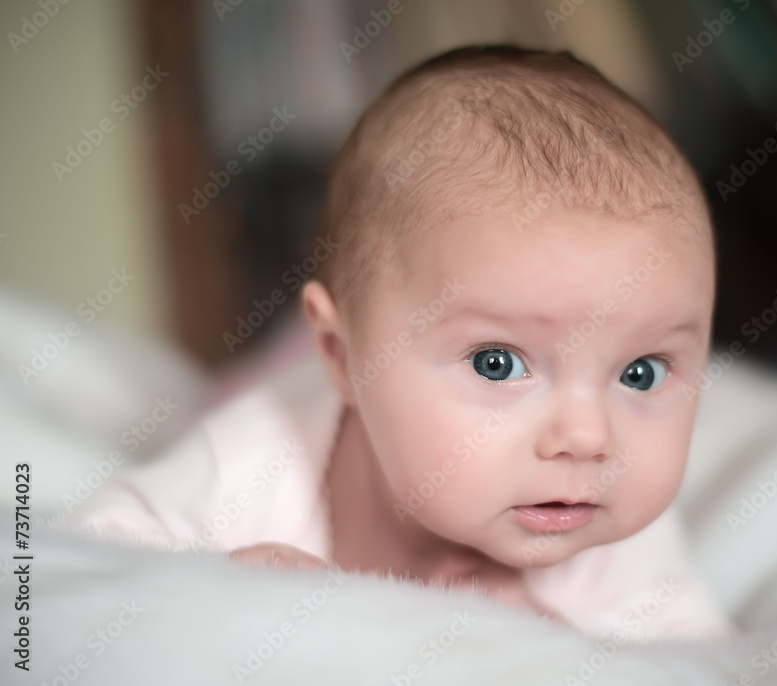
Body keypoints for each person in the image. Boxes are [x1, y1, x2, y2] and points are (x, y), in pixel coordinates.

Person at [76, 45, 733, 642]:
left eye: (642, 372)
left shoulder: (603, 519)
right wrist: (214, 590)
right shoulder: (249, 465)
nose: (589, 437)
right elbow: (78, 573)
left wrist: (548, 638)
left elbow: (699, 659)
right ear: (340, 354)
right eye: (496, 363)